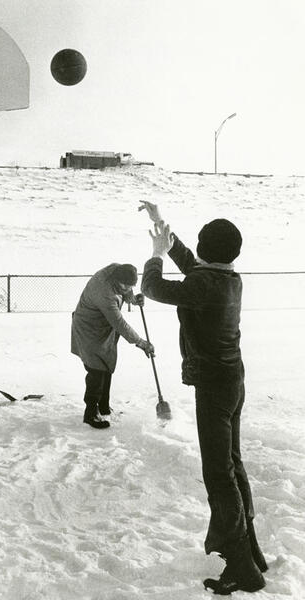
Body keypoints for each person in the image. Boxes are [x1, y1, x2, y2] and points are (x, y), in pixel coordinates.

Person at [139, 200, 267, 595]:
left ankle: (242, 566)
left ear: (209, 250)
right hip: (233, 379)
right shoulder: (228, 278)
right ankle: (251, 548)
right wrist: (163, 226)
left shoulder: (205, 285)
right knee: (232, 463)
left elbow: (153, 287)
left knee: (219, 474)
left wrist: (156, 254)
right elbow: (195, 266)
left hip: (214, 385)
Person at [71, 263, 154, 429]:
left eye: (131, 286)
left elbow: (123, 290)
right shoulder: (104, 293)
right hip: (89, 329)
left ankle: (103, 406)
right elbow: (119, 323)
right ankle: (90, 413)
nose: (128, 288)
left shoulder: (118, 272)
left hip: (103, 327)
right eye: (125, 286)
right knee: (96, 369)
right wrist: (141, 343)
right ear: (116, 280)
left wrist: (132, 298)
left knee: (106, 365)